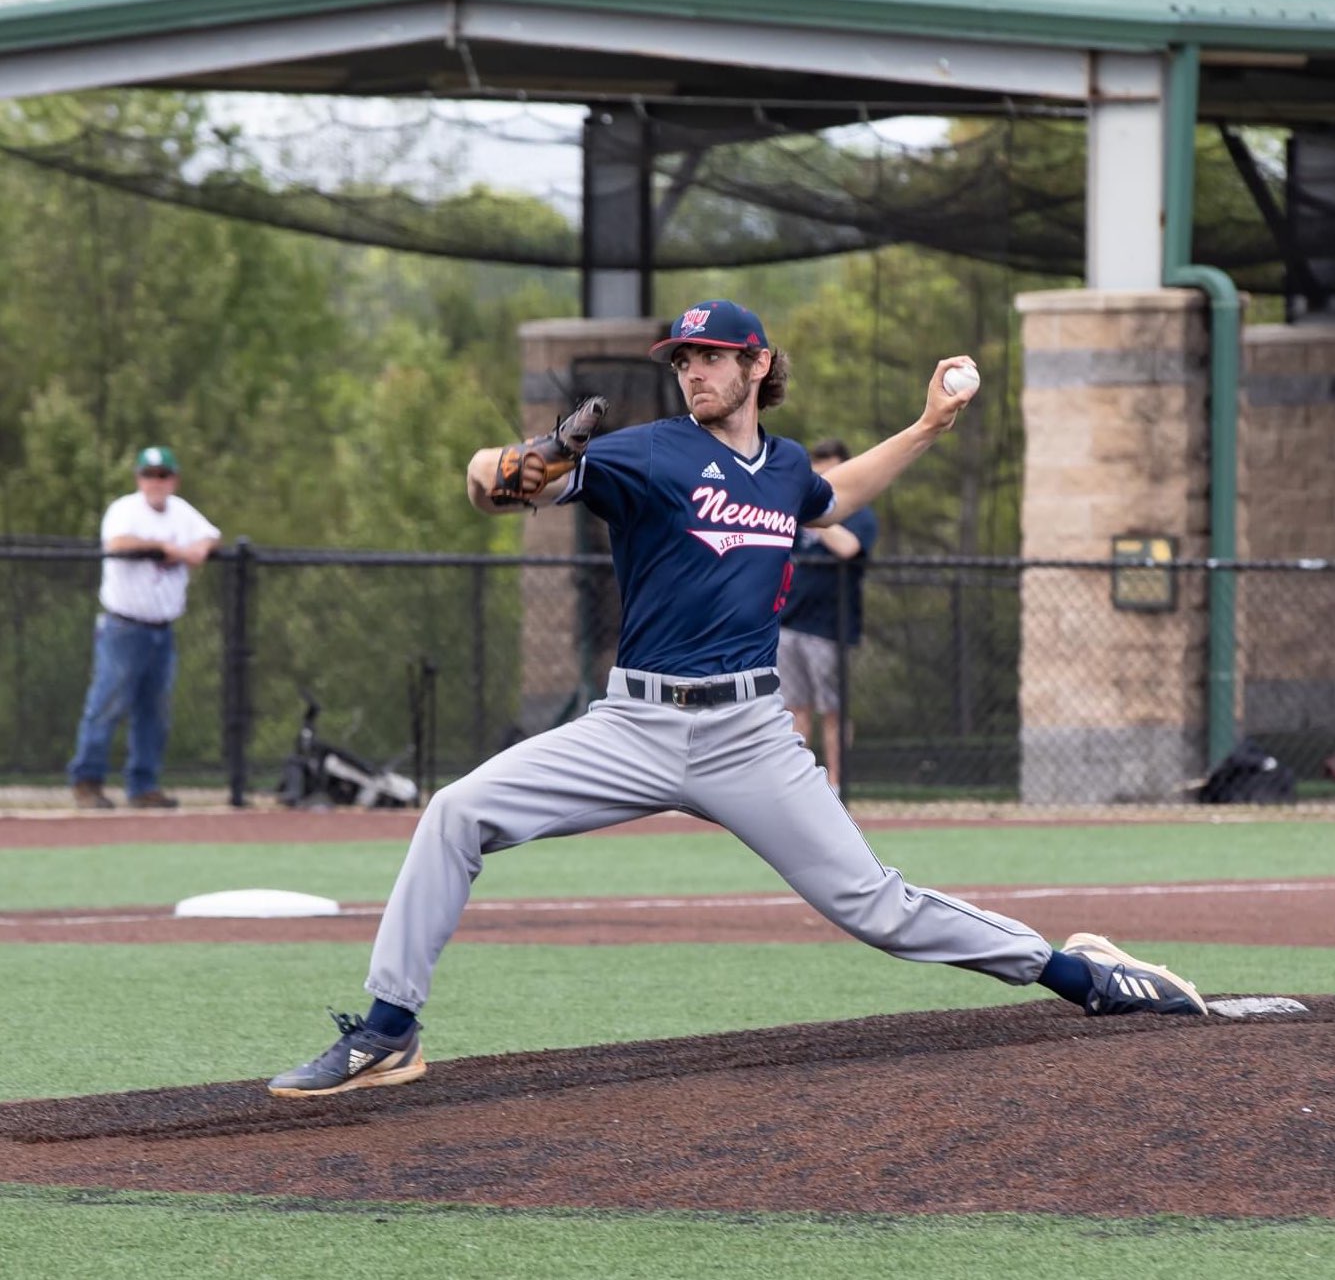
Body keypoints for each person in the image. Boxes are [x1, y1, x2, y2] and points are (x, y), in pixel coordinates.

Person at [269, 298, 1208, 1098]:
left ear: (756, 364)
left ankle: (1082, 974)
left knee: (873, 907)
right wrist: (540, 453)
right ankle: (390, 1029)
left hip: (750, 734)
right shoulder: (647, 453)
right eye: (682, 359)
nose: (692, 371)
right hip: (632, 724)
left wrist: (924, 429)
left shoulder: (786, 467)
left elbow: (830, 500)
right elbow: (488, 488)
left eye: (710, 356)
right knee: (455, 812)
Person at [68, 446, 221, 810]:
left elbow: (209, 538)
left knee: (154, 710)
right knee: (106, 704)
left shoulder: (181, 512)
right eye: (149, 475)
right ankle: (87, 782)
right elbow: (118, 542)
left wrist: (187, 550)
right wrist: (161, 546)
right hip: (124, 627)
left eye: (162, 475)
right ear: (139, 479)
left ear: (173, 480)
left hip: (162, 629)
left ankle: (143, 785)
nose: (156, 482)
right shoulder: (125, 509)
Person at [778, 438, 877, 792]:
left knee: (832, 710)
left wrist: (820, 520)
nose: (822, 476)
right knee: (794, 708)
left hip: (830, 629)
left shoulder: (859, 514)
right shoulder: (795, 514)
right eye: (816, 470)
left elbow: (849, 548)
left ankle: (836, 784)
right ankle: (799, 786)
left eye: (830, 469)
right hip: (789, 624)